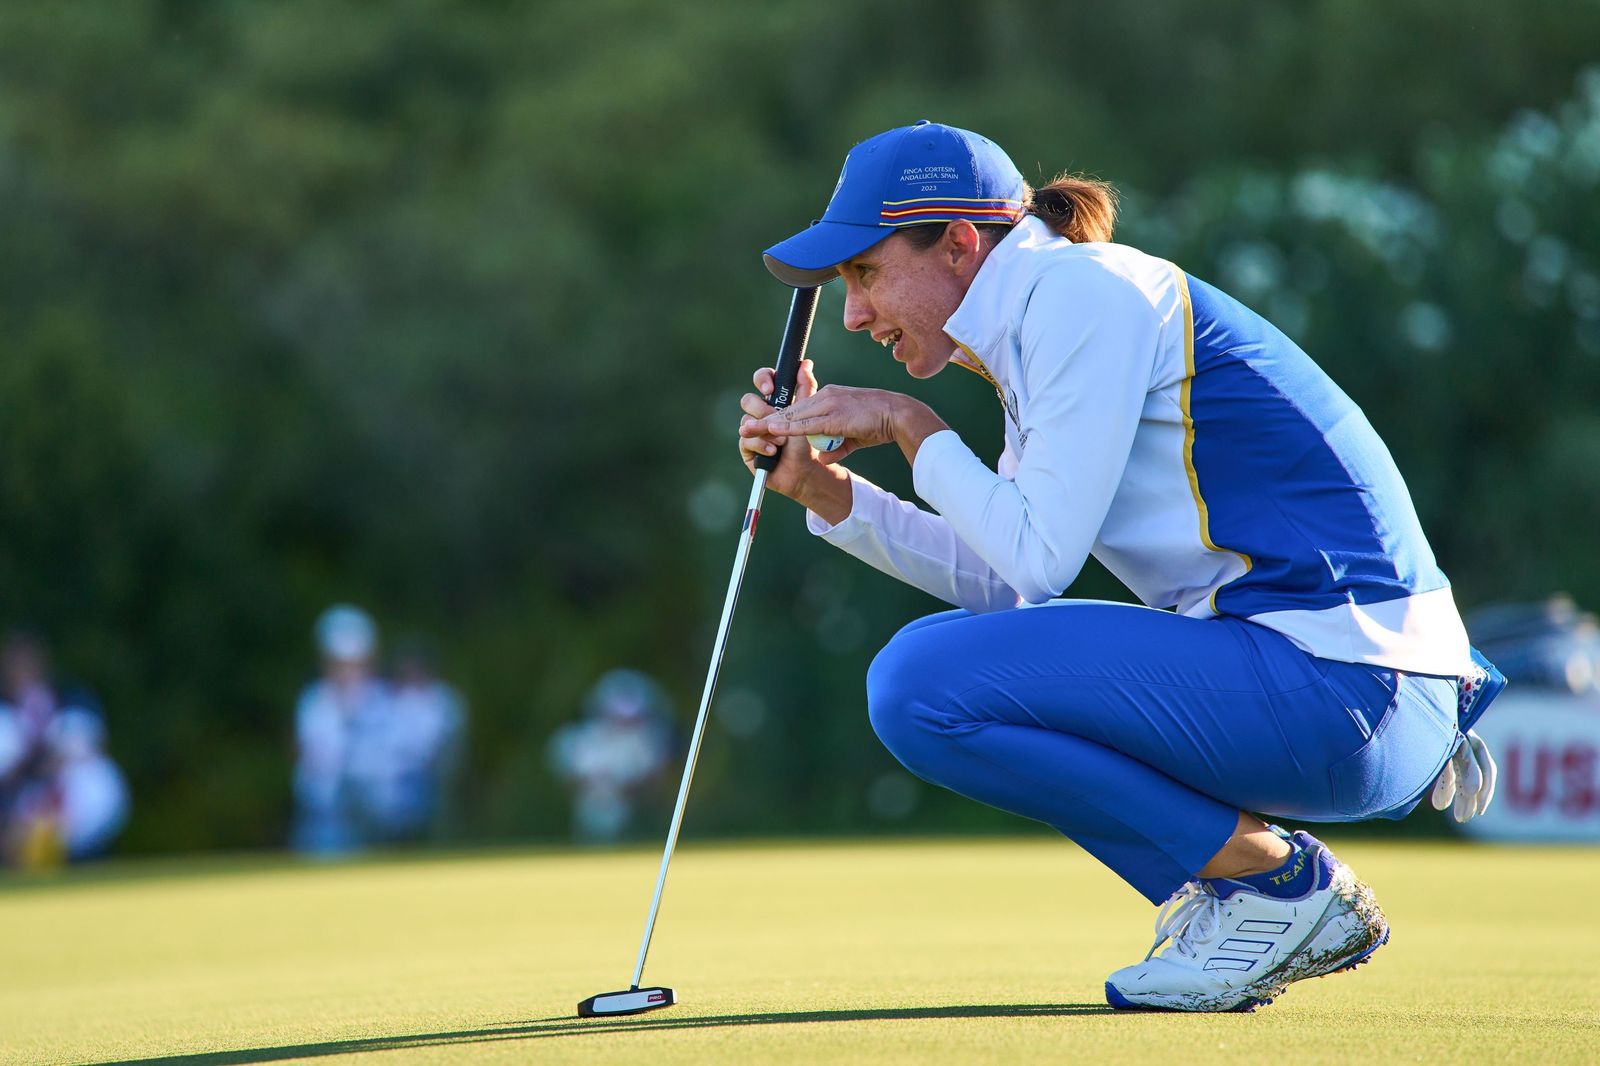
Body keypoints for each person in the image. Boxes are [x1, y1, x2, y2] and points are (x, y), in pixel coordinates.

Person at [738, 120, 1505, 1012]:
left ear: (958, 243)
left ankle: (1275, 888)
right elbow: (1004, 582)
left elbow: (1038, 560)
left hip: (1347, 687)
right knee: (919, 685)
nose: (855, 314)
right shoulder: (1042, 318)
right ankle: (1251, 889)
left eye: (865, 275)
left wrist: (911, 426)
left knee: (918, 679)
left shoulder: (1081, 295)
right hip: (1338, 687)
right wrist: (829, 495)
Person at [546, 669, 675, 843]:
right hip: (587, 819)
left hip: (630, 821)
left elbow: (653, 783)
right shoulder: (585, 739)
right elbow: (570, 778)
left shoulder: (644, 744)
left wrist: (628, 788)